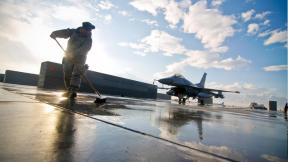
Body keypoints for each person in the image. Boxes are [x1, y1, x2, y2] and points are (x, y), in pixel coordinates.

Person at [50, 22, 95, 99]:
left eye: (89, 31)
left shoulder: (89, 40)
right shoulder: (73, 32)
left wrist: (74, 54)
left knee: (76, 75)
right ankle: (68, 90)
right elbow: (64, 32)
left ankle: (73, 91)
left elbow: (85, 49)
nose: (88, 32)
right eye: (87, 30)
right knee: (67, 74)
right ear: (82, 28)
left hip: (80, 58)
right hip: (68, 56)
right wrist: (55, 33)